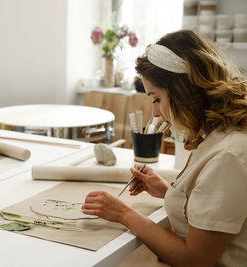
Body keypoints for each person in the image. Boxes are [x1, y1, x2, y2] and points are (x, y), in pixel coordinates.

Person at [82, 30, 247, 266]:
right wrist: (167, 190)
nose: (155, 113)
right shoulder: (219, 132)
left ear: (184, 91)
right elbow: (211, 201)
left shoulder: (229, 155)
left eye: (156, 98)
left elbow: (193, 260)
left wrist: (124, 214)